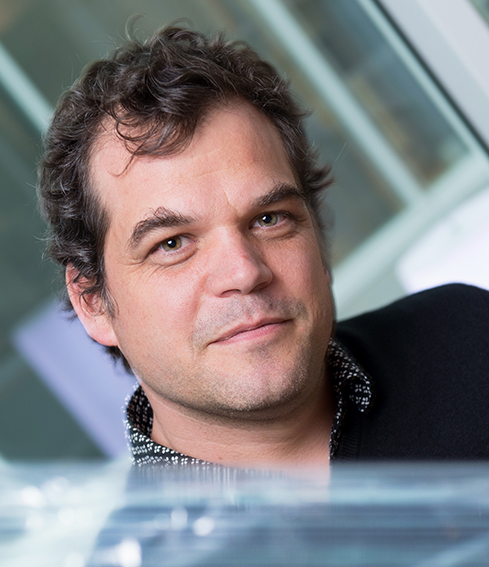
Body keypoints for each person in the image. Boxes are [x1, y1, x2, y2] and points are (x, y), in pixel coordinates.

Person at [38, 26, 489, 468]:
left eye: (269, 219)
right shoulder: (148, 525)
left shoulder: (467, 335)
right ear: (94, 302)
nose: (244, 272)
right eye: (172, 244)